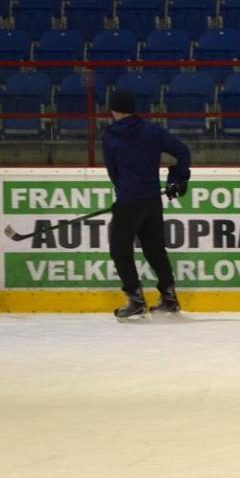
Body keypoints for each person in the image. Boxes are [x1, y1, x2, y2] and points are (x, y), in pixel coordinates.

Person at [102, 89, 191, 319]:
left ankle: (135, 299)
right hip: (152, 200)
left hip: (129, 201)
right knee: (154, 249)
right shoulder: (153, 131)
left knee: (120, 249)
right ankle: (169, 298)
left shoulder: (110, 136)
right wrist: (178, 178)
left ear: (114, 110)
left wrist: (125, 193)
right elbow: (182, 151)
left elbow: (113, 172)